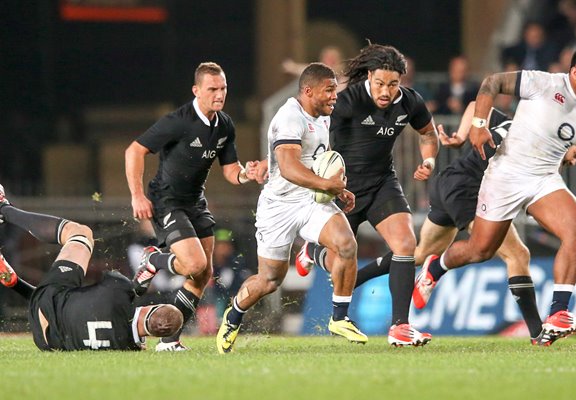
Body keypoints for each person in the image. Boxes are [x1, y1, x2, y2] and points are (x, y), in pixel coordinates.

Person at [348, 101, 576, 345]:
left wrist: (462, 135)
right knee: (513, 254)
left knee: (419, 253)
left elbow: (476, 105)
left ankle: (352, 279)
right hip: (470, 189)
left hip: (450, 182)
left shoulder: (518, 124)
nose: (573, 161)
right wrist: (570, 237)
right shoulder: (536, 152)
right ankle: (537, 334)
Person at [414, 45, 576, 342]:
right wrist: (477, 126)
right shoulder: (544, 83)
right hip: (505, 176)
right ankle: (436, 266)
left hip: (543, 179)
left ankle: (558, 314)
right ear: (575, 72)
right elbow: (492, 83)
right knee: (480, 250)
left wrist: (568, 235)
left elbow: (552, 151)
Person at [216, 62, 367, 354]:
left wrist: (338, 188)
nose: (334, 96)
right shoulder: (289, 117)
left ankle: (339, 317)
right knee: (270, 279)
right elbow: (288, 168)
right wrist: (328, 186)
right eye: (329, 90)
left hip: (310, 200)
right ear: (308, 91)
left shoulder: (322, 116)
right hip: (279, 206)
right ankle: (233, 315)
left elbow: (314, 162)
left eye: (335, 90)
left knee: (346, 244)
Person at [296, 43, 439, 347]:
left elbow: (428, 133)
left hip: (381, 183)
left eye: (393, 84)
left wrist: (429, 160)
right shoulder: (348, 101)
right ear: (369, 76)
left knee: (406, 245)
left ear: (401, 81)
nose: (385, 91)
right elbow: (312, 131)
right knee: (339, 265)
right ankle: (313, 252)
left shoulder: (410, 102)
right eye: (379, 83)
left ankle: (400, 326)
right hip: (342, 188)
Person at [125, 62, 263, 351]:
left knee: (202, 274)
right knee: (193, 264)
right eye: (212, 89)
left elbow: (230, 170)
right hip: (167, 200)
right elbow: (134, 150)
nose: (219, 94)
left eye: (223, 88)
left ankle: (169, 340)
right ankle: (153, 261)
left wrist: (246, 174)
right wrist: (137, 196)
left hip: (195, 202)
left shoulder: (224, 124)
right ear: (196, 90)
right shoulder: (179, 121)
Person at [0, 185, 184, 351]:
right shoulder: (128, 347)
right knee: (71, 308)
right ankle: (13, 282)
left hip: (49, 303)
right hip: (45, 340)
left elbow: (118, 285)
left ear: (153, 306)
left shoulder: (118, 293)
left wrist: (149, 270)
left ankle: (4, 210)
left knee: (80, 234)